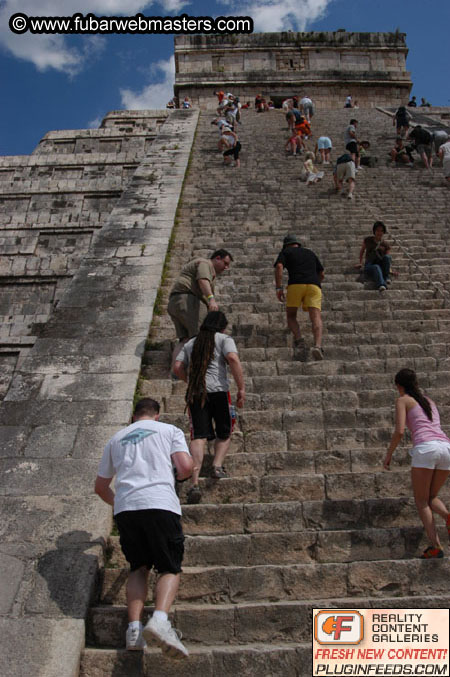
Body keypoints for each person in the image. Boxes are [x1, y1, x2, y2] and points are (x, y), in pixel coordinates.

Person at [94, 398, 193, 655]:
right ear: (157, 415)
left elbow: (100, 487)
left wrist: (120, 503)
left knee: (138, 567)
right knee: (169, 567)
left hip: (127, 509)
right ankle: (160, 620)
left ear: (134, 416)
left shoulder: (116, 439)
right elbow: (184, 466)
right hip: (160, 503)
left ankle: (134, 631)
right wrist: (180, 476)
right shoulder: (169, 431)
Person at [173, 311, 245, 504]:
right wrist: (241, 388)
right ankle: (217, 466)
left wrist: (189, 380)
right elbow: (233, 358)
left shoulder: (191, 342)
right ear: (222, 326)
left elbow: (178, 366)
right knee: (225, 430)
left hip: (197, 393)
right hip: (219, 391)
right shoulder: (223, 338)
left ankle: (194, 483)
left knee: (199, 435)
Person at [383, 369, 450, 559]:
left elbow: (399, 431)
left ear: (399, 386)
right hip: (446, 448)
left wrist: (389, 455)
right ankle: (447, 516)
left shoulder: (403, 400)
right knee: (431, 496)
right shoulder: (429, 401)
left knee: (421, 501)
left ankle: (435, 546)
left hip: (426, 449)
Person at [168, 250, 233, 371]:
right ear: (217, 258)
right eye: (225, 263)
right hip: (188, 300)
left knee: (184, 339)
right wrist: (211, 299)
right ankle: (200, 371)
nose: (226, 267)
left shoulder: (202, 266)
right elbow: (202, 280)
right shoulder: (205, 264)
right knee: (201, 336)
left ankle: (176, 371)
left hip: (175, 302)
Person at [274, 234, 325, 361]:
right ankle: (318, 346)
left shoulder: (286, 252)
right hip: (314, 285)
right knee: (316, 317)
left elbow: (279, 266)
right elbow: (322, 273)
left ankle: (299, 340)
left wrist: (279, 287)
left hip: (296, 284)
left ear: (286, 245)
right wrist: (316, 282)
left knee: (291, 315)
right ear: (298, 244)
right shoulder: (310, 253)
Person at [358, 221, 392, 293]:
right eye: (377, 230)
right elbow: (362, 251)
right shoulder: (368, 240)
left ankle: (386, 278)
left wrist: (390, 270)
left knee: (387, 257)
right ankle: (381, 284)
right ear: (374, 231)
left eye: (381, 231)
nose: (379, 233)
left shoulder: (385, 244)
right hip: (370, 265)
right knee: (376, 267)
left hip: (381, 264)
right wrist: (360, 263)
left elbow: (387, 259)